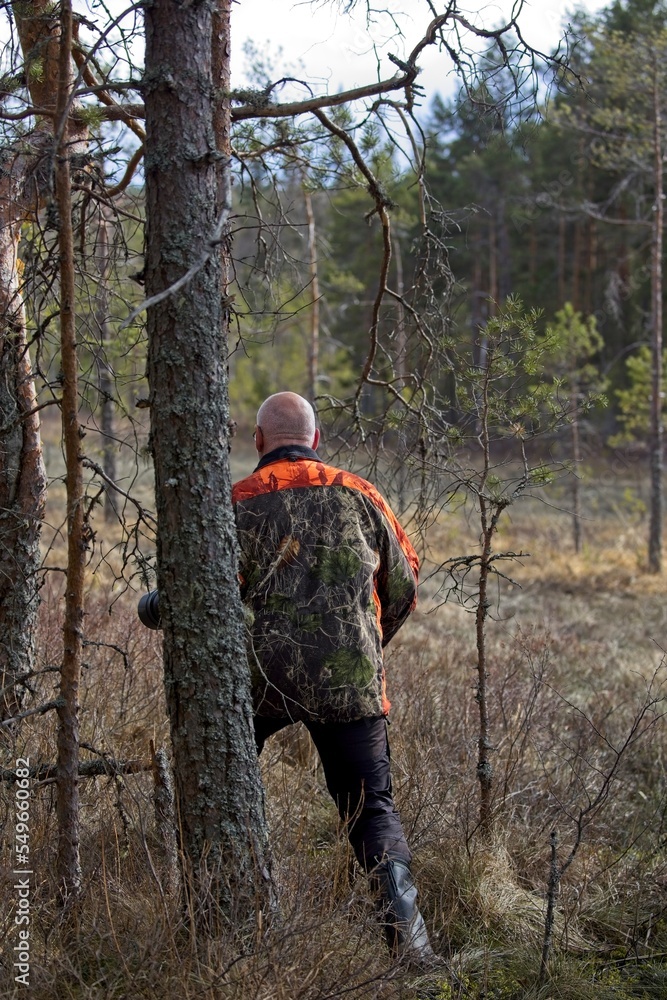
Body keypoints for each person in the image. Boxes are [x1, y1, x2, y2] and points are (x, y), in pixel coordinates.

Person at [232, 391, 437, 966]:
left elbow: (214, 598)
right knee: (371, 811)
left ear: (258, 442)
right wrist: (363, 648)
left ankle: (232, 928)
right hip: (350, 683)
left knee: (223, 787)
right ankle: (411, 950)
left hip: (259, 681)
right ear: (315, 440)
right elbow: (405, 585)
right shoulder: (361, 494)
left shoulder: (237, 502)